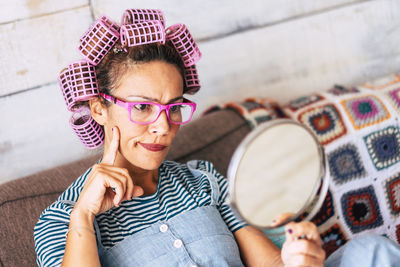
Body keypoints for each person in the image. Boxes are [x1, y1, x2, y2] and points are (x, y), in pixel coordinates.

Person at [35, 8, 400, 267]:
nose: (164, 127)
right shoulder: (62, 221)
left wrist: (297, 259)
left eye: (174, 107)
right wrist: (84, 216)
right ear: (99, 108)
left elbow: (269, 262)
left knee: (369, 251)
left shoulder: (200, 179)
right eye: (142, 107)